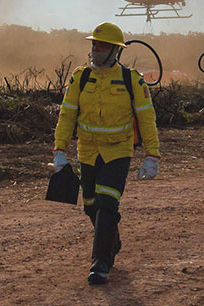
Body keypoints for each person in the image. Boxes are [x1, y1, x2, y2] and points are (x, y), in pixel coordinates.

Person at [52, 22, 161, 285]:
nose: (96, 49)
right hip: (88, 151)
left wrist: (151, 155)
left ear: (115, 50)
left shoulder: (131, 79)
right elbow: (67, 114)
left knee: (107, 201)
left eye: (102, 45)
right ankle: (111, 239)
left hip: (118, 151)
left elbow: (147, 118)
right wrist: (60, 150)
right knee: (90, 206)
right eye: (94, 44)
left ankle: (100, 263)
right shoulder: (80, 77)